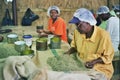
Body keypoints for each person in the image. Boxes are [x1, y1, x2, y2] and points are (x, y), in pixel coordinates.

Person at [64, 8, 114, 80]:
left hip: (100, 69)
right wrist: (68, 53)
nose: (77, 28)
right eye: (76, 25)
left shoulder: (103, 35)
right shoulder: (77, 32)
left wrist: (94, 62)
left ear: (88, 22)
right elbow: (75, 47)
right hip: (82, 64)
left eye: (79, 24)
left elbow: (108, 57)